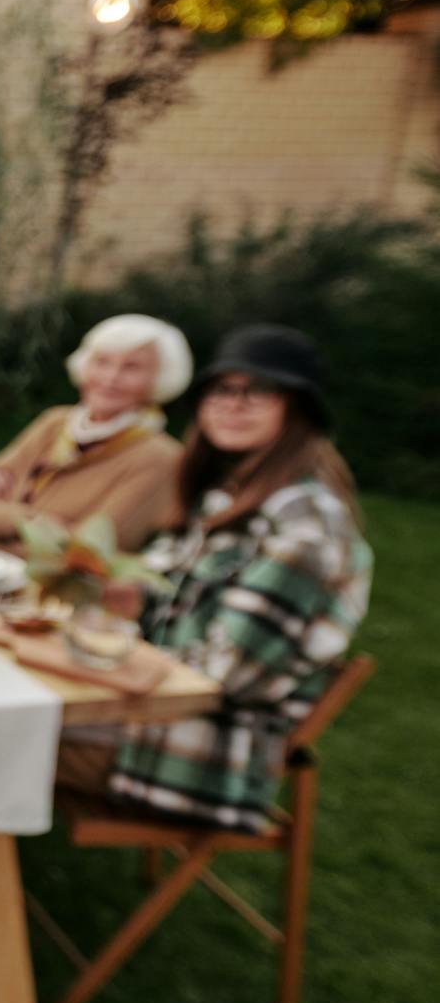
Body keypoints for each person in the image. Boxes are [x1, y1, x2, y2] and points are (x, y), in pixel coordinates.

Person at [58, 325, 372, 831]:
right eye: (223, 389)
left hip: (193, 750)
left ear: (299, 412)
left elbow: (222, 676)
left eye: (260, 391)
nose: (235, 403)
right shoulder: (224, 496)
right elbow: (162, 605)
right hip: (150, 711)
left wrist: (104, 659)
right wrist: (127, 599)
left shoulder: (305, 531)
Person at [0, 315, 192, 553]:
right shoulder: (55, 421)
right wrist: (38, 523)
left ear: (160, 378)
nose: (110, 378)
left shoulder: (161, 457)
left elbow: (90, 549)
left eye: (132, 367)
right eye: (102, 362)